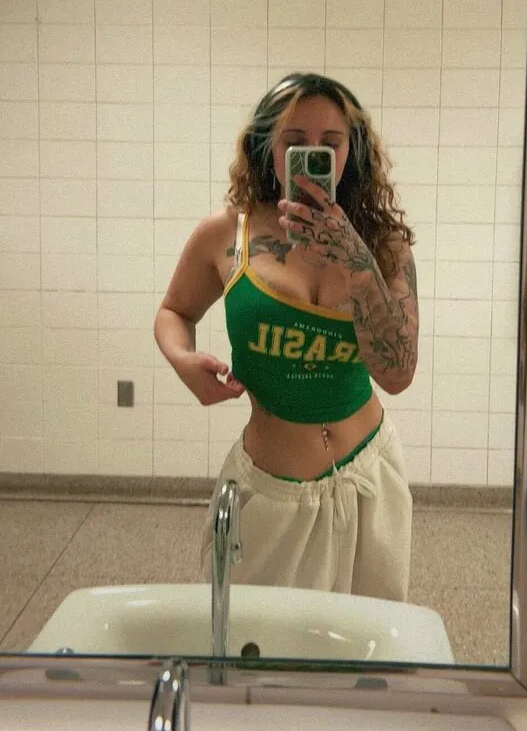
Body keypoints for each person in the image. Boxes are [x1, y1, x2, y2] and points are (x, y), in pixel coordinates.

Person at [154, 72, 419, 601]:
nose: (314, 156)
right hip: (269, 494)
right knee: (256, 642)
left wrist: (356, 260)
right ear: (268, 149)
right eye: (295, 142)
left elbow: (397, 374)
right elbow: (174, 311)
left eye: (331, 144)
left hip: (371, 481)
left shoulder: (383, 245)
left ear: (352, 151)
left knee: (366, 643)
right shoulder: (227, 234)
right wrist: (183, 359)